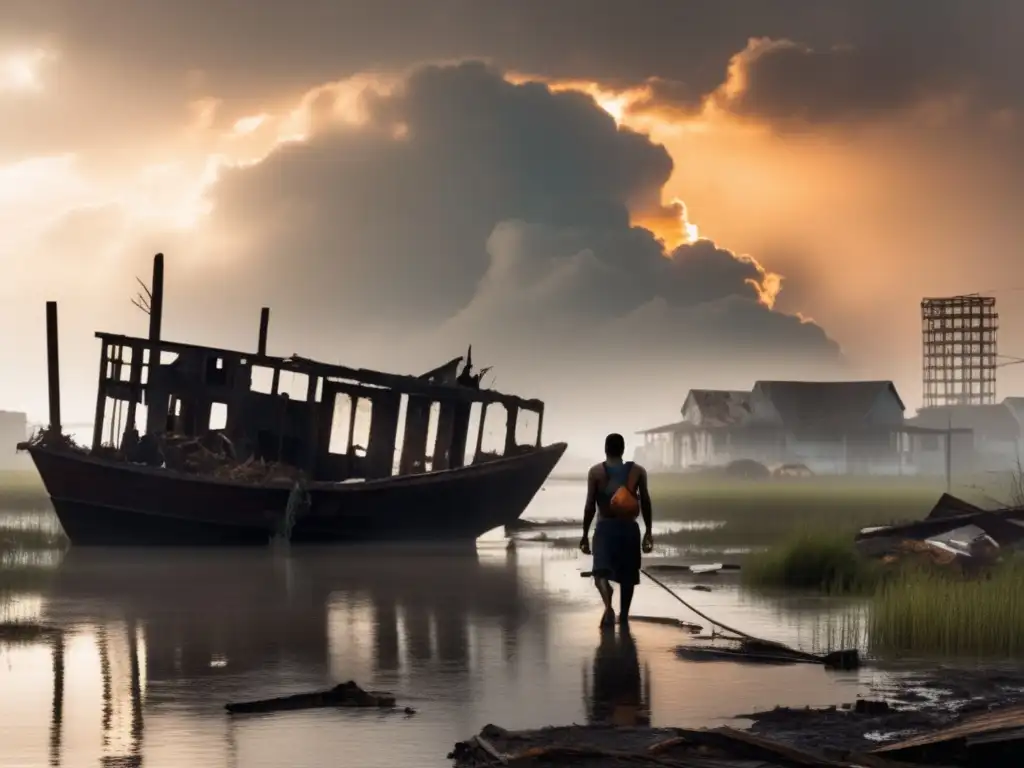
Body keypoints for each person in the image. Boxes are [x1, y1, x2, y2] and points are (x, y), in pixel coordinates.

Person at [580, 433, 653, 626]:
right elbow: (645, 502)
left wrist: (584, 535)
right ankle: (624, 616)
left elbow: (589, 506)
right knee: (628, 576)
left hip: (605, 529)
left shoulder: (595, 472)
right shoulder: (637, 471)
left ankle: (608, 607)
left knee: (600, 573)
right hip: (629, 529)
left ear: (605, 449)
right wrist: (649, 531)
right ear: (623, 450)